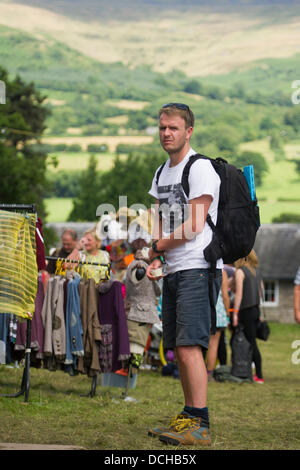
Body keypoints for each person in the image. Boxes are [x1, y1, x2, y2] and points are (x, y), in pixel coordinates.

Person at [146, 103, 223, 446]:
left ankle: (201, 423)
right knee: (178, 345)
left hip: (199, 267)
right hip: (175, 269)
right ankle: (188, 417)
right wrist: (158, 257)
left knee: (191, 344)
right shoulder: (161, 173)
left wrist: (159, 244)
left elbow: (193, 226)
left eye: (173, 128)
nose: (166, 133)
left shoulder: (200, 167)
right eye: (162, 127)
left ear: (188, 131)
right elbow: (163, 219)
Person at [232, 249, 264, 383]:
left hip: (245, 311)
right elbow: (261, 292)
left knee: (250, 342)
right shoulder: (256, 272)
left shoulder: (240, 272)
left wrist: (235, 313)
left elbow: (239, 295)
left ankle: (258, 375)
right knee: (251, 341)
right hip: (255, 309)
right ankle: (248, 370)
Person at [206, 269, 230, 381]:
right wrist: (228, 311)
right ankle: (208, 373)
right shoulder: (222, 272)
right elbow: (225, 295)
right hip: (217, 311)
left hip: (202, 309)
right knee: (213, 345)